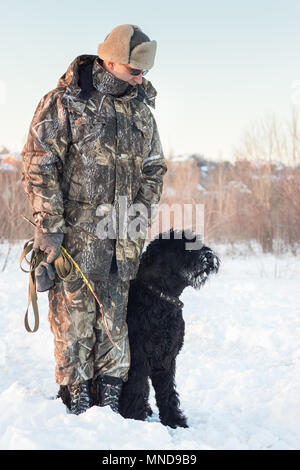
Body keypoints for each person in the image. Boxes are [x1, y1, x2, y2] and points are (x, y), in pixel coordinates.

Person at [21, 24, 167, 415]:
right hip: (74, 240)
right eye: (135, 71)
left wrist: (138, 218)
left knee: (114, 325)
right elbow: (38, 165)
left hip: (123, 243)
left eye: (145, 73)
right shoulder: (65, 102)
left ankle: (112, 402)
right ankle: (77, 402)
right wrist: (49, 226)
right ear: (111, 60)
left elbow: (154, 170)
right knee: (74, 326)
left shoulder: (141, 111)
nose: (141, 79)